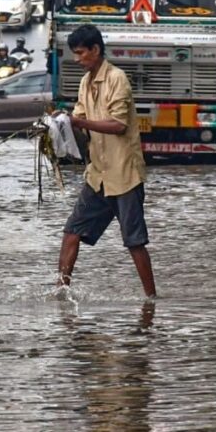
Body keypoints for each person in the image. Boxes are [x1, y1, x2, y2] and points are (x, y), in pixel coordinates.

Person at [57, 24, 155, 298]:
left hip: (124, 174)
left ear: (95, 50)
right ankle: (61, 292)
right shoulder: (85, 82)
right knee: (71, 233)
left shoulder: (117, 79)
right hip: (97, 174)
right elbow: (78, 120)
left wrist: (78, 121)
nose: (77, 60)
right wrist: (59, 124)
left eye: (80, 53)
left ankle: (151, 299)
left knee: (134, 242)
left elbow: (118, 125)